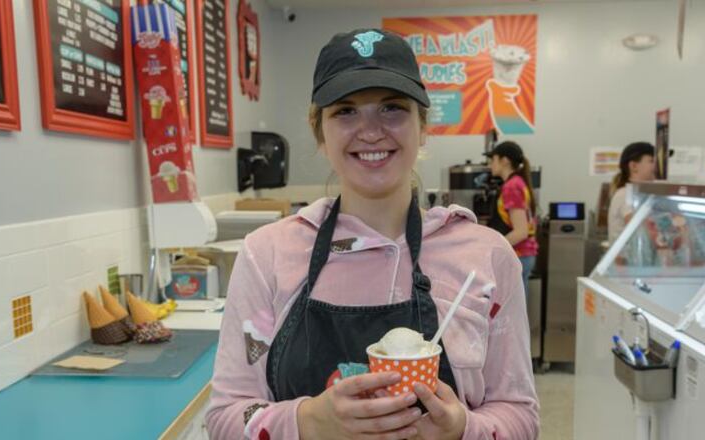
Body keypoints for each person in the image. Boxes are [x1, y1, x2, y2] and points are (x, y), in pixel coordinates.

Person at [206, 28, 539, 440]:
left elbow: (520, 417)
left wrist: (462, 429)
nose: (370, 130)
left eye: (392, 108)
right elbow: (223, 417)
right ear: (319, 132)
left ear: (424, 126)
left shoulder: (485, 256)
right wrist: (308, 422)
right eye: (345, 111)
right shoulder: (268, 255)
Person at [486, 141, 539, 295]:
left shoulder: (512, 186)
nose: (490, 165)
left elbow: (521, 231)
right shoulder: (519, 182)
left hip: (518, 255)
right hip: (523, 255)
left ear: (505, 161)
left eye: (493, 160)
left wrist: (492, 249)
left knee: (513, 315)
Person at [607, 142, 655, 243]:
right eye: (651, 161)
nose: (657, 166)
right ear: (634, 166)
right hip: (628, 258)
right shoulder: (625, 194)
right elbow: (642, 230)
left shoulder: (641, 194)